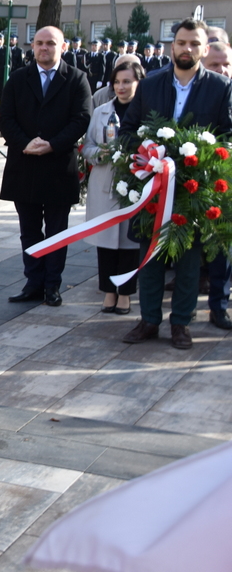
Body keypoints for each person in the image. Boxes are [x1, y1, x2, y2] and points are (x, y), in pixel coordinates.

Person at [118, 18, 232, 349]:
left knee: (190, 260)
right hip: (153, 186)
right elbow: (128, 130)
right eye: (182, 42)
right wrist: (147, 156)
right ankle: (149, 320)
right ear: (172, 47)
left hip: (194, 190)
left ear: (205, 49)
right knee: (150, 256)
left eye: (195, 44)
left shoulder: (220, 87)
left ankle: (181, 323)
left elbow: (227, 136)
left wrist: (206, 162)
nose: (187, 49)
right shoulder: (150, 85)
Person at [0, 26, 92, 308]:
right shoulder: (18, 78)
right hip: (23, 165)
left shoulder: (76, 79)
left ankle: (52, 285)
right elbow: (5, 118)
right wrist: (25, 143)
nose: (44, 48)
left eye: (50, 43)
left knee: (56, 231)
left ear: (63, 47)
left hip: (58, 167)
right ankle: (33, 283)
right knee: (29, 230)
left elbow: (81, 118)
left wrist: (52, 144)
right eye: (39, 43)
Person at [80, 61, 145, 316]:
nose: (121, 87)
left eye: (127, 82)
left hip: (134, 184)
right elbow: (87, 146)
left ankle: (125, 294)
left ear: (139, 83)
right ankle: (108, 291)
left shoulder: (146, 112)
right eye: (117, 82)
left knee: (130, 243)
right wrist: (101, 153)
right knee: (105, 242)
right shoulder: (101, 112)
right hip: (104, 183)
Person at [200, 41, 232, 330]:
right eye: (215, 65)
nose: (222, 70)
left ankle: (221, 303)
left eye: (227, 64)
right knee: (218, 247)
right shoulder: (201, 97)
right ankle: (216, 306)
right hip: (206, 183)